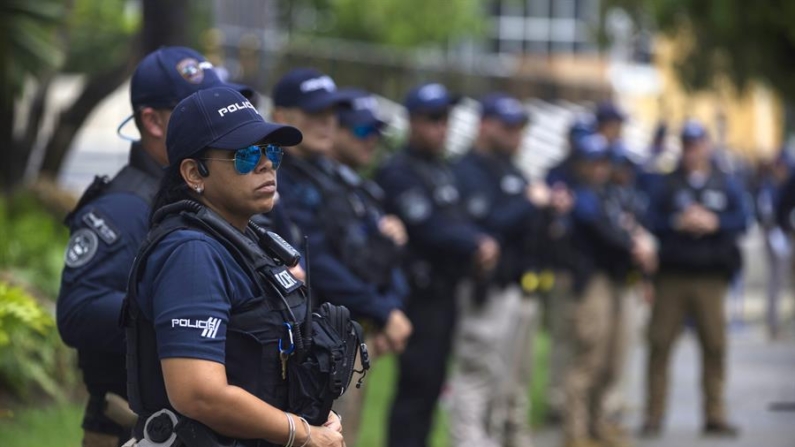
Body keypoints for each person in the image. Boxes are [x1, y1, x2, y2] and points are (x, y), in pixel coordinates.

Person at [122, 86, 345, 447]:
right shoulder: (191, 254)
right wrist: (302, 433)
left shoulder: (243, 241)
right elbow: (198, 392)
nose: (266, 163)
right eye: (244, 155)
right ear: (195, 173)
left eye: (271, 151)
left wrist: (313, 411)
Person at [56, 46, 253, 447]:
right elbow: (77, 311)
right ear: (153, 121)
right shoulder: (123, 205)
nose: (217, 119)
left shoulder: (203, 199)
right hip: (130, 427)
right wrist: (183, 311)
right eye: (197, 109)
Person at [272, 75, 413, 445]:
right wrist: (383, 310)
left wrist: (386, 308)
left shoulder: (335, 176)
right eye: (314, 113)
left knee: (345, 432)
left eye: (332, 114)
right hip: (308, 338)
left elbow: (379, 249)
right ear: (282, 114)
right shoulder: (276, 176)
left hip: (344, 332)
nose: (326, 123)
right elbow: (316, 261)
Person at [375, 82, 499, 447]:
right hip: (418, 294)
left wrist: (474, 241)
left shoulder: (439, 169)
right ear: (412, 122)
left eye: (446, 118)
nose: (442, 127)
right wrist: (475, 243)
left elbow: (457, 219)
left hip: (445, 292)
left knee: (431, 389)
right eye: (433, 119)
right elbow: (428, 227)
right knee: (415, 390)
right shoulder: (399, 170)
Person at [450, 92, 563, 447]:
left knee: (510, 378)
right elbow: (484, 224)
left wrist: (547, 210)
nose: (517, 135)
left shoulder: (512, 168)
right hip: (485, 288)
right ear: (485, 125)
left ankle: (498, 437)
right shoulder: (466, 170)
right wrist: (529, 204)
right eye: (508, 127)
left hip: (516, 287)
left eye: (520, 128)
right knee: (477, 374)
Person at [642, 120, 746, 437]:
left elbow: (743, 218)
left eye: (698, 144)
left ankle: (714, 413)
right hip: (673, 275)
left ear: (707, 146)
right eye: (687, 145)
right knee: (660, 345)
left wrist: (715, 222)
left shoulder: (724, 182)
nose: (693, 151)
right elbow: (650, 218)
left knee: (714, 345)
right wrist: (678, 221)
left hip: (710, 276)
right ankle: (653, 414)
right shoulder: (667, 183)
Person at [563, 134, 656, 447]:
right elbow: (603, 232)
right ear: (582, 164)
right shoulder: (582, 195)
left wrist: (634, 243)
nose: (599, 168)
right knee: (589, 358)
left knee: (611, 359)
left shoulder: (609, 194)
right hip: (592, 283)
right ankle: (575, 432)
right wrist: (633, 244)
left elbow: (625, 226)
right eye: (593, 162)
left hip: (616, 280)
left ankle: (597, 424)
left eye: (603, 161)